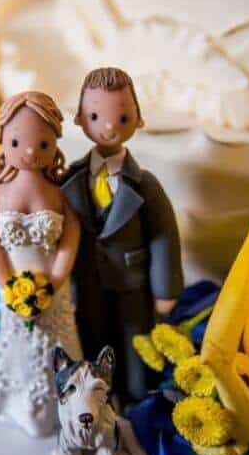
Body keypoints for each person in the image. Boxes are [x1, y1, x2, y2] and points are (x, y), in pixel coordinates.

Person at [62, 67, 183, 406]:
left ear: (139, 120)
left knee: (134, 339)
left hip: (133, 281)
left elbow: (164, 236)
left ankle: (136, 396)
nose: (110, 126)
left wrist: (165, 289)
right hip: (85, 281)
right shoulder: (69, 181)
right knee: (93, 335)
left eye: (122, 115)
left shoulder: (145, 184)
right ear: (80, 120)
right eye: (96, 115)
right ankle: (97, 393)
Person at [0, 91, 82, 437]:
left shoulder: (59, 195)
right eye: (18, 141)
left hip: (54, 289)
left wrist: (54, 280)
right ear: (2, 141)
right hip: (13, 289)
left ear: (55, 142)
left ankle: (60, 405)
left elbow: (69, 240)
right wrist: (7, 285)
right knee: (18, 343)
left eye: (42, 143)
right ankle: (13, 399)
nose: (32, 151)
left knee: (58, 346)